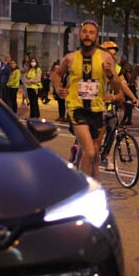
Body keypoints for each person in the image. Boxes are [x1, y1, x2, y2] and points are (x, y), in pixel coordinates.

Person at [51, 20, 121, 179]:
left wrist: (110, 75)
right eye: (85, 32)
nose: (87, 35)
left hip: (97, 111)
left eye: (91, 33)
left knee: (95, 155)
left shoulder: (106, 57)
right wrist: (58, 88)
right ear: (79, 35)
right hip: (77, 109)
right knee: (89, 151)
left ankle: (94, 189)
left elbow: (117, 87)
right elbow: (57, 74)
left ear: (97, 37)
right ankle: (83, 191)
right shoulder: (70, 58)